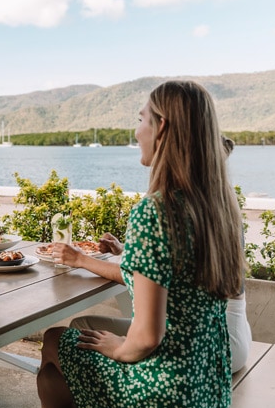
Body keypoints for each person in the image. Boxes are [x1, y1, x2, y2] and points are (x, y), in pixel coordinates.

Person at [37, 80, 245, 408]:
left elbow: (147, 337)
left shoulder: (155, 211)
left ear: (161, 126)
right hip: (208, 394)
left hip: (167, 400)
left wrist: (119, 348)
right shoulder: (221, 208)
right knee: (53, 375)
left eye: (141, 120)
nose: (136, 132)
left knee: (56, 342)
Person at [66, 135, 252, 375]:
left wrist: (80, 259)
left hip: (210, 349)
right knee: (81, 331)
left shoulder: (168, 207)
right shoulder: (218, 203)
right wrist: (125, 251)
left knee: (74, 335)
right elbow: (180, 266)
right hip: (232, 336)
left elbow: (138, 278)